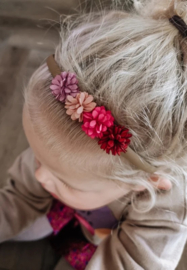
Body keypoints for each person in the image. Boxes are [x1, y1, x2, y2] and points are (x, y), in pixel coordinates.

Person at [1, 0, 187, 269]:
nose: (38, 174)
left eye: (63, 179)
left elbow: (128, 263)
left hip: (112, 241)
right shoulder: (65, 150)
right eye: (39, 157)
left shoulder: (168, 213)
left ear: (147, 181)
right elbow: (19, 199)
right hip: (68, 209)